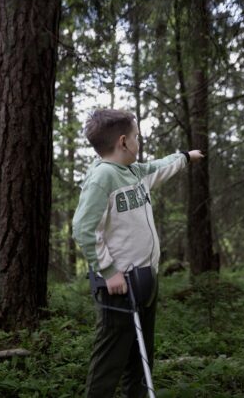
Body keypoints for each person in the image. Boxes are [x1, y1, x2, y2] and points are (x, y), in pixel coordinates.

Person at [72, 109, 204, 398]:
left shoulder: (134, 171)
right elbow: (83, 228)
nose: (138, 142)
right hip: (119, 286)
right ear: (123, 142)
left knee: (141, 361)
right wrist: (108, 271)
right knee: (109, 362)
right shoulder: (102, 178)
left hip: (145, 282)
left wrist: (185, 157)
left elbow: (159, 167)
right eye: (136, 137)